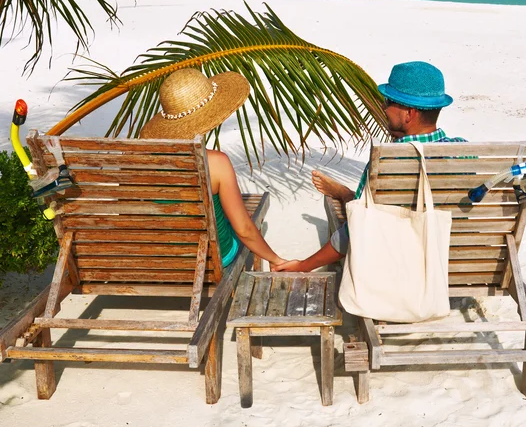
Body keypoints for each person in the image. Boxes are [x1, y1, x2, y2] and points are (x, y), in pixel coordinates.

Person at [273, 61, 466, 272]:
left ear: (408, 114)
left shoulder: (385, 162)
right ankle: (347, 195)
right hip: (449, 265)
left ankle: (346, 195)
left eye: (388, 101)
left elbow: (357, 229)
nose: (383, 107)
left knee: (359, 212)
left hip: (397, 271)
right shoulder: (465, 153)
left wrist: (303, 265)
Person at [140, 68, 286, 270]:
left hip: (162, 261)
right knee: (237, 223)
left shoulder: (141, 162)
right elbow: (244, 230)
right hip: (210, 262)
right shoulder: (216, 163)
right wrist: (276, 260)